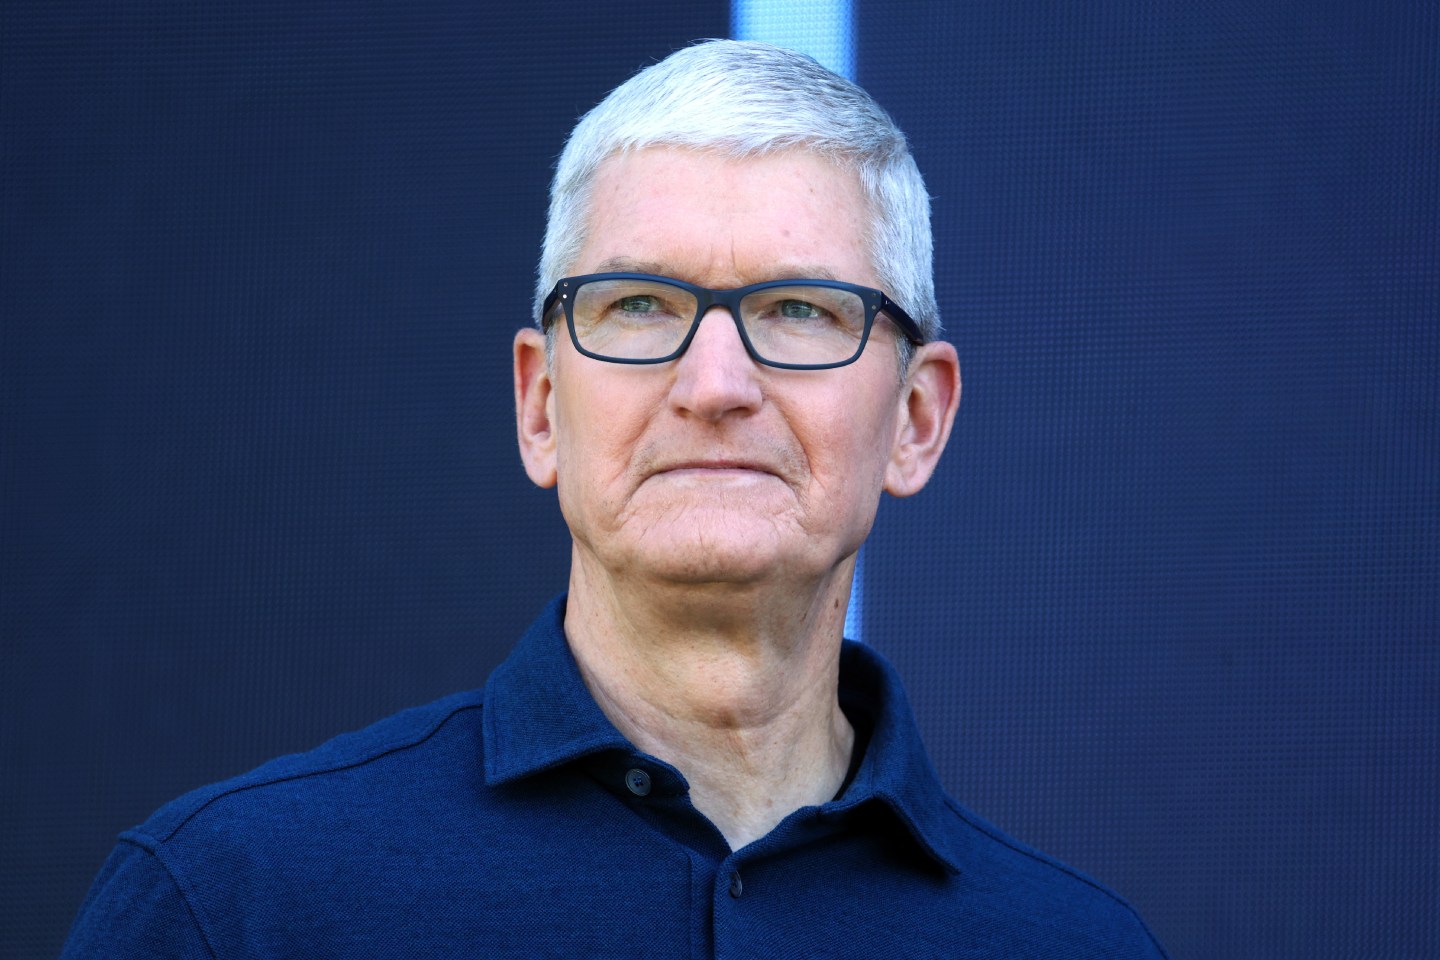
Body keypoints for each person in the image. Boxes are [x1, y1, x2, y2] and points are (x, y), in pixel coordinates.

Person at [61, 40, 1168, 958]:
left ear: (917, 419)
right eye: (639, 304)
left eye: (799, 310)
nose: (716, 386)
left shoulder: (1078, 945)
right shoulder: (232, 905)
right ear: (541, 404)